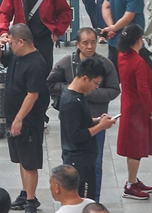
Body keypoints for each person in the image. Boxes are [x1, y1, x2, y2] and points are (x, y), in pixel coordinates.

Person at [0, 24, 51, 213]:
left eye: (12, 42)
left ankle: (31, 201)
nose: (11, 47)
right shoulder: (17, 56)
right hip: (13, 118)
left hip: (28, 121)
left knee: (30, 162)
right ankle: (25, 193)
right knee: (21, 159)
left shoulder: (36, 63)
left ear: (21, 42)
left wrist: (19, 119)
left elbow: (32, 95)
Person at [52, 40, 119, 200]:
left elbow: (79, 121)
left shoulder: (79, 96)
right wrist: (101, 126)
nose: (96, 87)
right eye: (95, 83)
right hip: (78, 163)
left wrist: (96, 120)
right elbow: (76, 135)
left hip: (84, 160)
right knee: (83, 203)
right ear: (84, 78)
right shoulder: (70, 101)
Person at [115, 25, 152, 200]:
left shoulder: (122, 56)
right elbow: (144, 91)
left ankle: (133, 179)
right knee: (135, 149)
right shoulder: (139, 63)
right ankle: (130, 184)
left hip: (128, 106)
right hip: (138, 111)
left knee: (132, 147)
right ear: (138, 40)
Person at [102, 0, 150, 68]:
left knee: (114, 77)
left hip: (113, 41)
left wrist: (111, 27)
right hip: (130, 43)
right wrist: (113, 29)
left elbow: (105, 6)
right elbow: (128, 17)